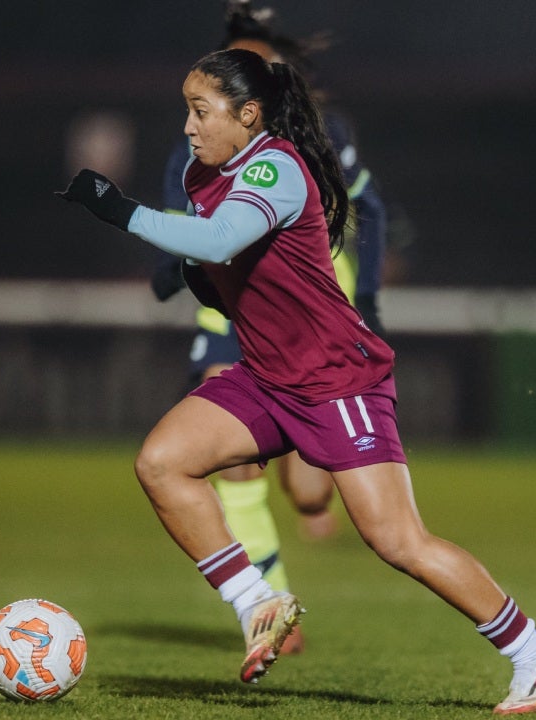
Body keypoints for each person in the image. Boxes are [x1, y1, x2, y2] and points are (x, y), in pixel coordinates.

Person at [58, 47, 536, 715]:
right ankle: (258, 601)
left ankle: (534, 648)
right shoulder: (200, 171)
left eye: (201, 111)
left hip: (337, 381)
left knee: (396, 541)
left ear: (248, 115)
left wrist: (119, 210)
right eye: (185, 110)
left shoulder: (275, 165)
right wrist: (200, 280)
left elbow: (217, 243)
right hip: (268, 377)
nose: (187, 126)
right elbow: (229, 275)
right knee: (162, 462)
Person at [149, 0, 389, 653]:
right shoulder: (195, 147)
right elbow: (186, 230)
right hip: (228, 317)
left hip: (313, 324)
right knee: (230, 471)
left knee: (309, 493)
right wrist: (173, 266)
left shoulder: (319, 134)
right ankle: (271, 610)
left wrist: (365, 300)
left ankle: (321, 488)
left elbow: (369, 209)